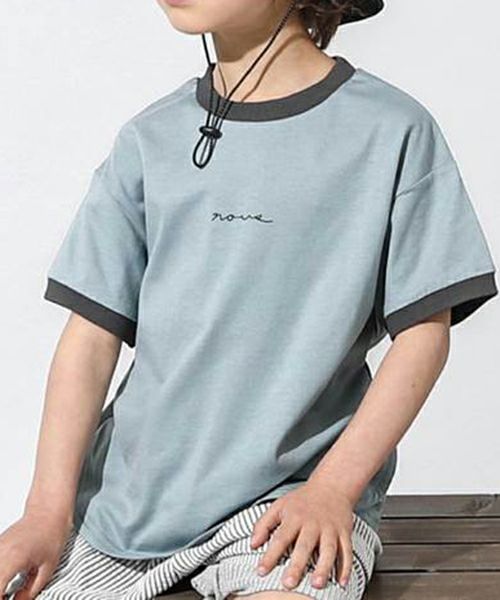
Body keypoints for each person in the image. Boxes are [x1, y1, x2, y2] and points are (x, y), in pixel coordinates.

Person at [0, 0, 497, 599]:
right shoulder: (148, 140)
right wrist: (45, 512)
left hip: (294, 499)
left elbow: (424, 333)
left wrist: (334, 489)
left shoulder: (392, 130)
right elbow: (89, 338)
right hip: (129, 509)